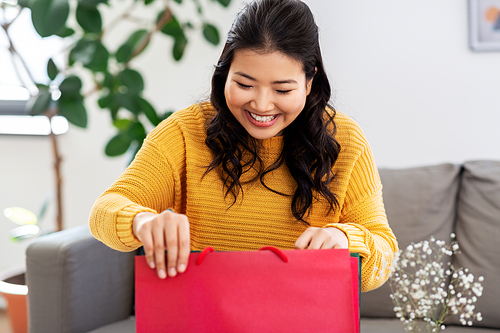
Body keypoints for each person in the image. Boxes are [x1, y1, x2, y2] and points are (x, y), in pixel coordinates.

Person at [89, 0, 398, 292]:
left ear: (309, 81)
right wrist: (143, 222)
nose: (262, 105)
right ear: (225, 73)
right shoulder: (185, 132)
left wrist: (344, 240)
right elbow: (104, 210)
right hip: (203, 317)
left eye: (282, 89)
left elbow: (385, 253)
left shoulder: (344, 140)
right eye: (245, 85)